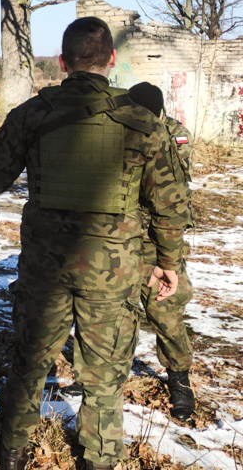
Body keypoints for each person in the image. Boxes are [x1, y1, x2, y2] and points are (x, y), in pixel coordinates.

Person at [0, 17, 190, 470]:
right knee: (105, 378)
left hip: (45, 271)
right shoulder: (142, 122)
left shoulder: (32, 114)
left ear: (62, 62)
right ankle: (100, 459)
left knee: (30, 365)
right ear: (111, 59)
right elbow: (171, 205)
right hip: (113, 274)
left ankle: (12, 452)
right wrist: (168, 262)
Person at [129, 82, 196, 420]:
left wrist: (167, 256)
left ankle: (179, 379)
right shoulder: (120, 132)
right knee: (114, 309)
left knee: (165, 310)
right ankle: (103, 375)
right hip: (123, 237)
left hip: (159, 239)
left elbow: (170, 199)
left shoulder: (174, 135)